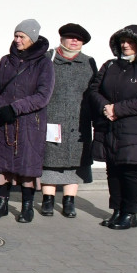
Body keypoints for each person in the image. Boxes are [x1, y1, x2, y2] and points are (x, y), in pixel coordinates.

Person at [88, 25, 137, 230]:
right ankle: (118, 210)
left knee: (131, 171)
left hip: (134, 129)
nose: (125, 45)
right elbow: (94, 89)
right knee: (113, 171)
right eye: (122, 41)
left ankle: (130, 212)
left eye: (130, 42)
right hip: (109, 127)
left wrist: (118, 109)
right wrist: (106, 108)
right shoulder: (110, 65)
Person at [0, 19, 55, 223]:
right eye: (15, 35)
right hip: (2, 121)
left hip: (28, 123)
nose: (17, 40)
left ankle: (27, 206)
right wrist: (1, 106)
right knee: (1, 165)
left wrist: (14, 108)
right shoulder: (6, 60)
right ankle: (2, 204)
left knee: (27, 166)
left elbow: (43, 95)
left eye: (21, 36)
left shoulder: (44, 63)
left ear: (32, 38)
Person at [40, 23, 97, 218]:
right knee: (49, 161)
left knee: (75, 163)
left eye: (79, 39)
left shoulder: (88, 62)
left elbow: (94, 92)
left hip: (78, 122)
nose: (74, 41)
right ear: (61, 38)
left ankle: (68, 201)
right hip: (51, 119)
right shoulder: (48, 58)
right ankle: (47, 200)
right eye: (70, 37)